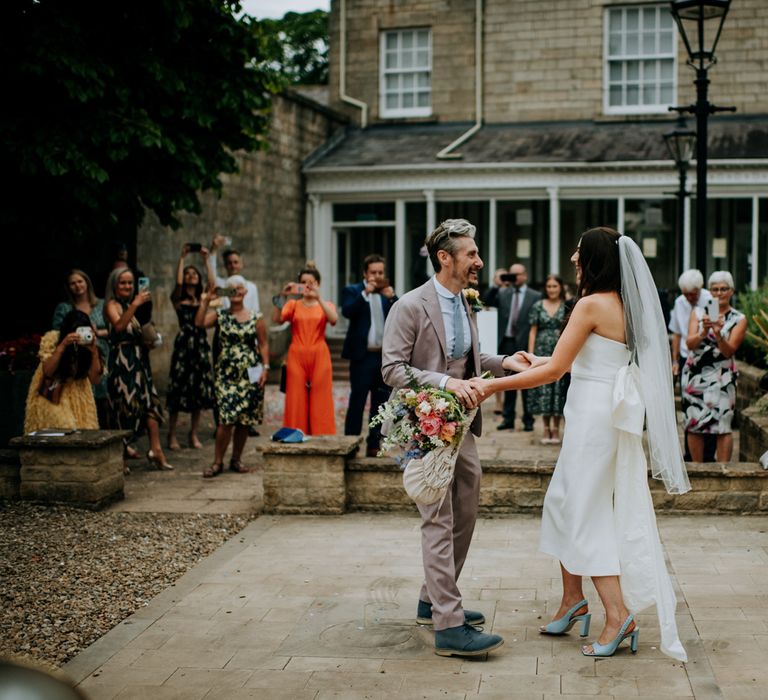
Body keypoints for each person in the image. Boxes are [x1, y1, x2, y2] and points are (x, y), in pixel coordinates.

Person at [470, 227, 690, 661]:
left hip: (593, 420)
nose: (573, 257)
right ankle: (573, 601)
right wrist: (533, 361)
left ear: (594, 260)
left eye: (579, 251)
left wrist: (493, 386)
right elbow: (573, 363)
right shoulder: (624, 305)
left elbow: (556, 371)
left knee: (583, 513)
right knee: (563, 504)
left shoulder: (590, 304)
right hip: (598, 413)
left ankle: (618, 614)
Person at [382, 218, 528, 658]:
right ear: (445, 258)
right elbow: (392, 368)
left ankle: (433, 598)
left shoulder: (467, 302)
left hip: (460, 425)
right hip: (422, 424)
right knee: (437, 517)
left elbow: (467, 358)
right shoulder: (408, 306)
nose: (479, 261)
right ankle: (449, 625)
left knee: (466, 506)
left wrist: (505, 361)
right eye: (472, 254)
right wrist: (444, 384)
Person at [196, 275, 269, 477]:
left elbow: (263, 343)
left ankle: (236, 459)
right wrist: (206, 300)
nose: (236, 291)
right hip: (226, 373)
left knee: (245, 419)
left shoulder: (256, 316)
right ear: (227, 293)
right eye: (231, 289)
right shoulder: (220, 315)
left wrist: (266, 368)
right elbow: (199, 322)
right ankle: (217, 462)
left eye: (239, 288)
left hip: (250, 373)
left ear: (245, 292)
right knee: (225, 419)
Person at [104, 267, 172, 472]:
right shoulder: (112, 305)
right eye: (123, 283)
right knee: (124, 409)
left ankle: (156, 450)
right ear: (114, 285)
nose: (127, 286)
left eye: (130, 283)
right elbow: (118, 327)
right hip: (122, 364)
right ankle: (121, 455)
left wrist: (151, 340)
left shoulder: (131, 305)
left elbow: (137, 332)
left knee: (150, 404)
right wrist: (134, 304)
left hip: (140, 361)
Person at [682, 270, 746, 463]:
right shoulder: (698, 313)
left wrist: (718, 334)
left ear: (732, 291)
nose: (719, 293)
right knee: (694, 424)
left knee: (723, 425)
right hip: (696, 376)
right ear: (709, 291)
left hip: (722, 378)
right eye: (715, 289)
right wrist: (704, 331)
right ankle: (699, 470)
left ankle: (724, 472)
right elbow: (689, 344)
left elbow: (729, 351)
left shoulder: (738, 318)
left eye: (724, 289)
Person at [341, 254, 398, 457]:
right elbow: (347, 311)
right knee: (357, 401)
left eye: (380, 272)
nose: (377, 276)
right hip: (362, 357)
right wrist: (365, 293)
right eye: (373, 272)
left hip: (383, 358)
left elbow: (402, 317)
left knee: (381, 403)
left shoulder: (387, 294)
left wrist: (391, 297)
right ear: (365, 273)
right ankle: (350, 443)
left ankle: (374, 444)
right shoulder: (353, 291)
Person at [273, 263, 337, 435]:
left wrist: (318, 297)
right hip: (297, 353)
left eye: (311, 282)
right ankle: (295, 434)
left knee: (321, 397)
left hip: (319, 352)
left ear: (317, 284)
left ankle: (322, 435)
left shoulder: (326, 304)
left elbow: (333, 319)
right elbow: (276, 319)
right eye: (303, 282)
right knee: (296, 398)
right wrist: (282, 295)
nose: (307, 286)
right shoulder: (293, 304)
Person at [166, 245, 215, 451]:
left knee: (198, 391)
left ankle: (193, 433)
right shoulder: (179, 299)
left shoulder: (203, 297)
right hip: (184, 344)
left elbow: (213, 284)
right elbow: (177, 283)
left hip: (200, 345)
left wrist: (206, 261)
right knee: (178, 389)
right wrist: (182, 258)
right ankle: (172, 434)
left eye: (194, 273)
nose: (190, 276)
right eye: (188, 274)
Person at [25, 310, 103, 433]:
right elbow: (48, 372)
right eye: (77, 331)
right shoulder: (53, 340)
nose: (81, 336)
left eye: (84, 331)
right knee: (59, 431)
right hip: (52, 391)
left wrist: (93, 352)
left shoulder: (90, 344)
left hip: (79, 396)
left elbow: (95, 380)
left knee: (82, 435)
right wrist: (62, 346)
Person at [484, 263, 541, 431]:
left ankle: (528, 420)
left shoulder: (535, 296)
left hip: (525, 342)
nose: (514, 278)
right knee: (508, 381)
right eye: (511, 274)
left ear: (525, 276)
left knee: (528, 381)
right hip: (507, 341)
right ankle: (507, 418)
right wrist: (497, 284)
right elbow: (486, 301)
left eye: (517, 274)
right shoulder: (503, 293)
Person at [52, 269, 110, 427]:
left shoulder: (102, 305)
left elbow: (115, 329)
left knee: (103, 397)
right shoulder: (64, 308)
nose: (77, 286)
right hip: (75, 357)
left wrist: (98, 332)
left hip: (100, 353)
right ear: (68, 287)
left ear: (87, 282)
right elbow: (56, 332)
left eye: (80, 281)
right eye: (73, 283)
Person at [527, 274, 568, 444]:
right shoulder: (537, 306)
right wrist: (530, 354)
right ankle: (545, 428)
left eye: (555, 286)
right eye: (549, 286)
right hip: (541, 349)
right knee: (544, 388)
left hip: (560, 349)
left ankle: (556, 428)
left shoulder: (567, 306)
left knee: (558, 389)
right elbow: (533, 331)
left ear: (560, 288)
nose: (551, 289)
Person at [209, 236, 260, 313]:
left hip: (246, 323)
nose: (233, 266)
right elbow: (211, 271)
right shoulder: (221, 285)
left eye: (236, 262)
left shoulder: (251, 287)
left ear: (241, 264)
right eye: (229, 263)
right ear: (225, 265)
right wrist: (214, 249)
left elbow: (256, 311)